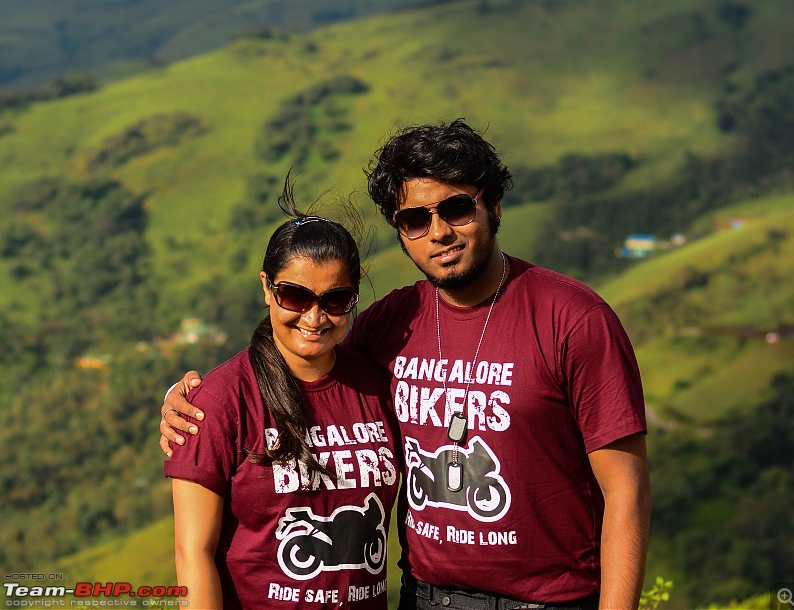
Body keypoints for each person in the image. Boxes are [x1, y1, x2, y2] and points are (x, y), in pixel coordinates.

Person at [162, 120, 651, 610]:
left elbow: (626, 494)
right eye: (414, 219)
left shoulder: (573, 320)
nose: (438, 232)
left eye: (457, 208)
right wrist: (192, 403)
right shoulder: (391, 323)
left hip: (551, 601)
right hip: (423, 599)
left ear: (494, 205)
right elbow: (309, 363)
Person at [163, 185, 400, 609]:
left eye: (335, 300)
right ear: (267, 288)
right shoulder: (221, 401)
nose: (314, 317)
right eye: (295, 296)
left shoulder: (377, 388)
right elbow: (193, 553)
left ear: (354, 298)